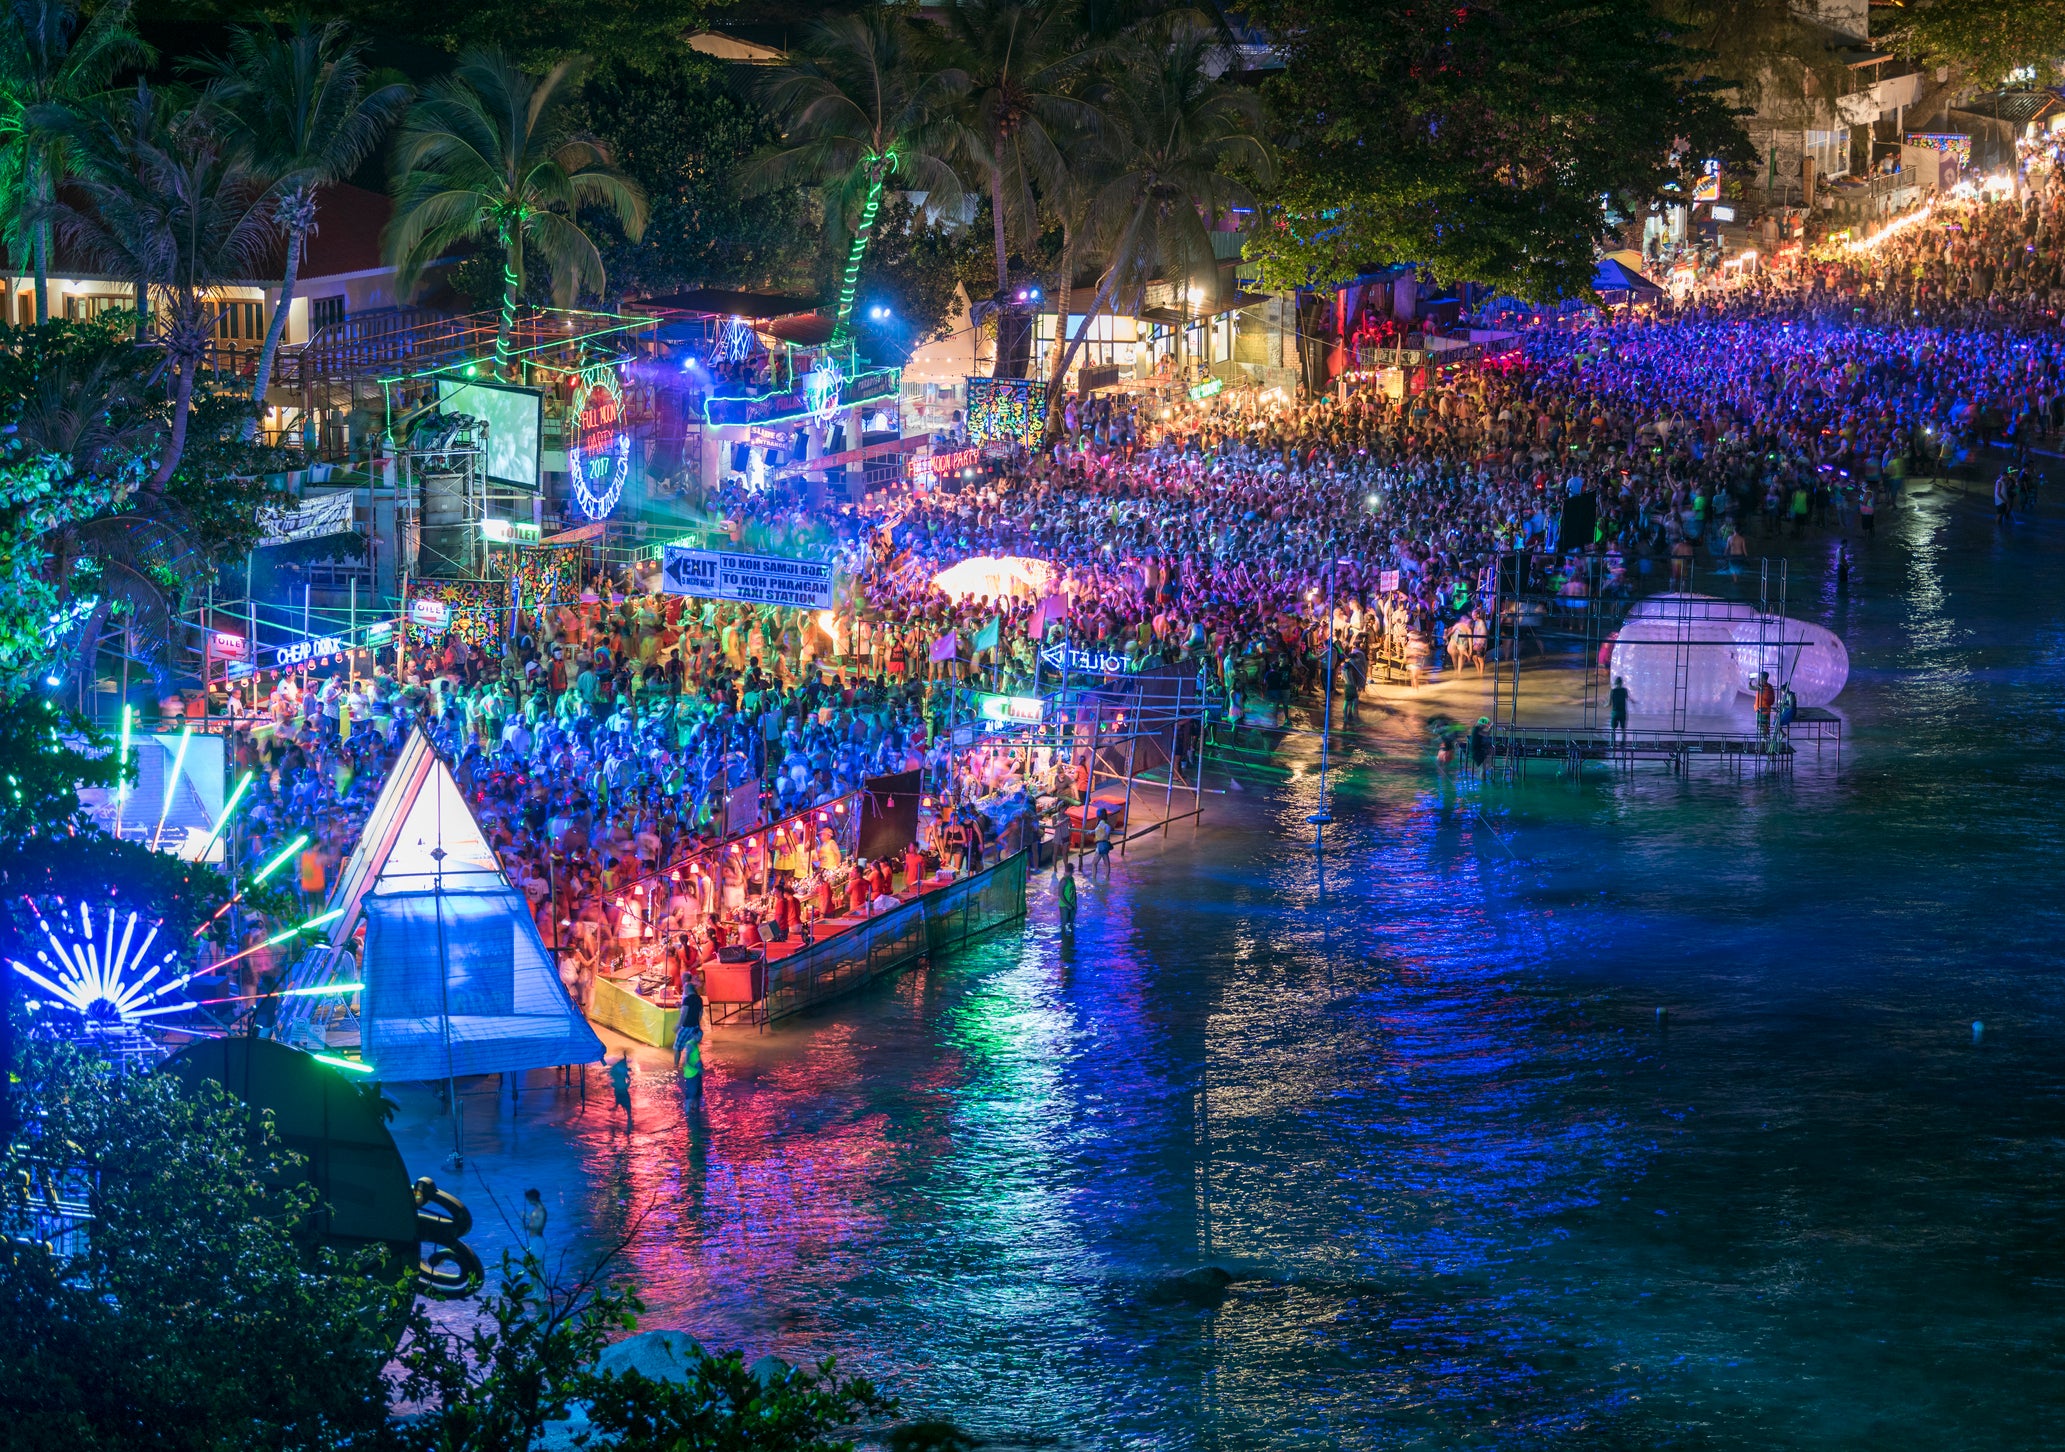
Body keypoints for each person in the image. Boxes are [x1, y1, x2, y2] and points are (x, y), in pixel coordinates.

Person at [520, 1189, 548, 1265]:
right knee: (531, 1266)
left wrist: (527, 1227)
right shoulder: (537, 1209)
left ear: (533, 1199)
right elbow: (536, 1219)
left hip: (538, 1241)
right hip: (533, 1240)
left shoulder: (541, 1211)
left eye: (528, 1200)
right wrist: (527, 1216)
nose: (528, 1202)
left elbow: (540, 1228)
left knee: (537, 1266)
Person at [606, 1052, 633, 1127]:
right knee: (628, 1109)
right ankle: (629, 1122)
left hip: (618, 1090)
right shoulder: (622, 1071)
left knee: (617, 1103)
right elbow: (628, 1079)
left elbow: (612, 1082)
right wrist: (628, 1082)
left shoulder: (615, 1070)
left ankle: (612, 1121)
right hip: (623, 1090)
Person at [1753, 672, 1775, 743]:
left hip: (1761, 710)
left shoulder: (1761, 687)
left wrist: (1750, 681)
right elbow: (1772, 699)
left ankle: (1764, 740)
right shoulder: (1770, 687)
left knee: (1761, 726)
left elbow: (1750, 687)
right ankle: (1766, 739)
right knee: (1766, 725)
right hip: (1767, 710)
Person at [1090, 808, 1112, 878]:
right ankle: (1107, 878)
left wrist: (1092, 832)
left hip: (1100, 845)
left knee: (1094, 863)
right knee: (1107, 864)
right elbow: (1106, 832)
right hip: (1105, 844)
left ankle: (1094, 878)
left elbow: (1098, 831)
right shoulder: (1106, 823)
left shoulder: (1101, 823)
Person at [1057, 859, 1078, 931]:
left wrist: (1075, 904)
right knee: (1064, 922)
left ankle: (1071, 938)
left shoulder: (1071, 879)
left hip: (1072, 904)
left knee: (1072, 922)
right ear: (1071, 871)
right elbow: (1060, 894)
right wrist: (1068, 905)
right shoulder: (1064, 881)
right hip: (1064, 906)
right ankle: (1063, 937)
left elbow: (1074, 892)